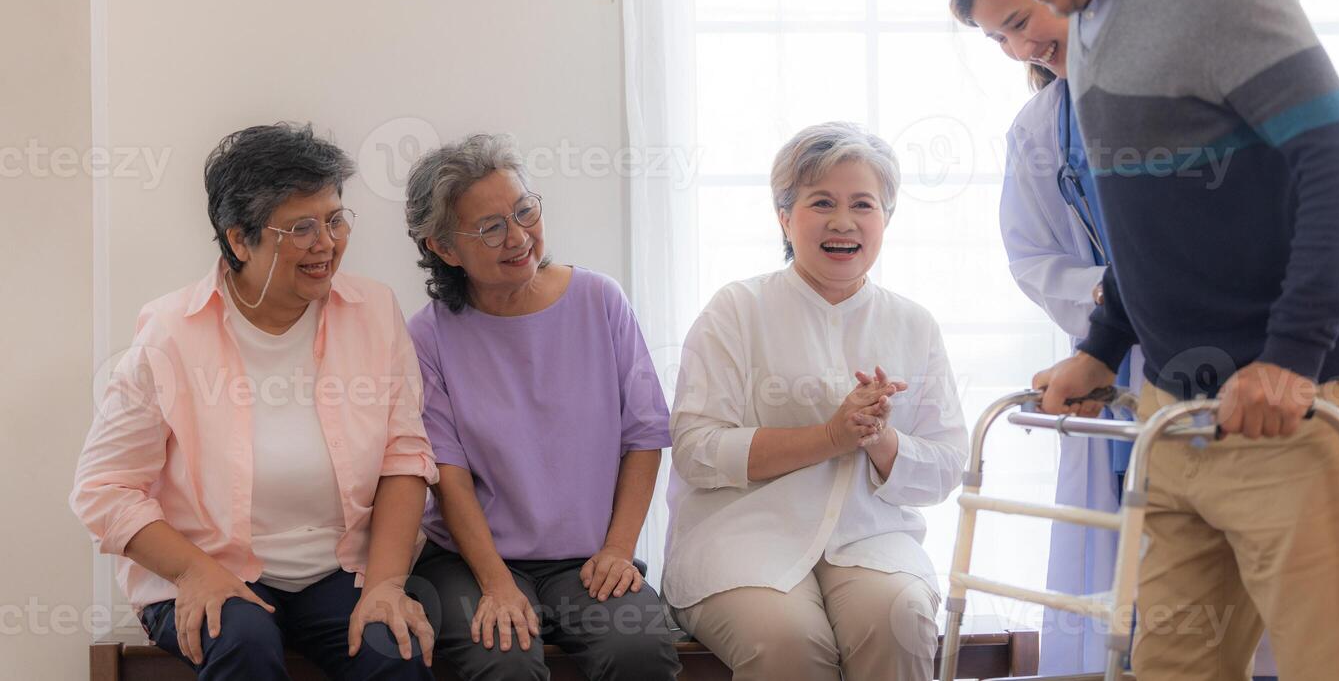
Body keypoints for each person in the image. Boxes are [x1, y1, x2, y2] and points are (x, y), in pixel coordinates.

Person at [933, 0, 1339, 680]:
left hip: (1300, 409)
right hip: (1179, 417)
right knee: (1160, 666)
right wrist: (1103, 344)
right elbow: (1148, 219)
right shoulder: (1085, 14)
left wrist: (1291, 357)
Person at [71, 123, 438, 680]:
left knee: (395, 652)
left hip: (338, 572)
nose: (327, 243)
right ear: (239, 238)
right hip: (208, 567)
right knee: (242, 642)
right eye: (301, 228)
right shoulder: (171, 334)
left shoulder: (373, 311)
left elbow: (404, 456)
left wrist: (385, 585)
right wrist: (192, 573)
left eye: (336, 219)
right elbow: (104, 489)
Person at [663, 122, 968, 681]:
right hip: (743, 537)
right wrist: (829, 437)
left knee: (900, 620)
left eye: (863, 204)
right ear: (785, 216)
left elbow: (948, 467)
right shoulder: (736, 310)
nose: (843, 221)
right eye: (821, 202)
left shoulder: (912, 324)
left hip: (870, 538)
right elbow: (696, 451)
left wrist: (881, 439)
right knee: (787, 642)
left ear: (886, 218)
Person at [403, 133, 680, 681]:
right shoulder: (428, 336)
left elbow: (645, 434)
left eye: (525, 211)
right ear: (443, 248)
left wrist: (619, 550)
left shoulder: (600, 300)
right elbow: (448, 475)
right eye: (491, 227)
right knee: (502, 657)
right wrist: (497, 584)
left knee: (638, 651)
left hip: (587, 558)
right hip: (467, 560)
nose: (519, 236)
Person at [947, 0, 1142, 673]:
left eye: (1020, 21)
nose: (1018, 47)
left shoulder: (1158, 87)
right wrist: (1103, 289)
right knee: (1124, 581)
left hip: (1217, 361)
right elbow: (1031, 256)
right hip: (1112, 360)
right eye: (997, 37)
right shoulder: (1039, 128)